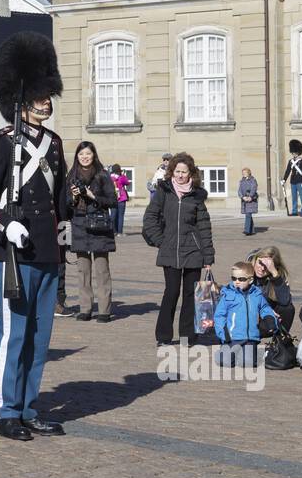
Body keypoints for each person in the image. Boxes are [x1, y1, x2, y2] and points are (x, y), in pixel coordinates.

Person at [0, 31, 68, 442]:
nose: (46, 102)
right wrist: (1, 222)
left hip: (46, 251)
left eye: (48, 94)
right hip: (13, 250)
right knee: (13, 334)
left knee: (38, 335)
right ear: (20, 99)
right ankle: (4, 410)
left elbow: (59, 198)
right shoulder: (1, 143)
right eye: (39, 95)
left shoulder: (55, 142)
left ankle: (28, 407)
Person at [141, 152, 215, 347]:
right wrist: (160, 240)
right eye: (177, 171)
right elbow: (150, 218)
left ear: (191, 173)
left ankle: (188, 336)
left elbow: (204, 226)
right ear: (172, 172)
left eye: (184, 172)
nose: (181, 175)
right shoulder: (163, 192)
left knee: (191, 294)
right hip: (170, 249)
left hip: (193, 251)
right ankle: (164, 336)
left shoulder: (197, 196)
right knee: (171, 291)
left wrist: (208, 255)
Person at [67, 142, 117, 322]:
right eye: (81, 154)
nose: (84, 157)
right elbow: (66, 204)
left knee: (102, 270)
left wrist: (92, 195)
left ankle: (104, 310)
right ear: (77, 156)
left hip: (99, 225)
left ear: (94, 155)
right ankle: (85, 308)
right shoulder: (71, 175)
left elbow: (112, 200)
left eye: (88, 154)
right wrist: (73, 196)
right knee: (82, 270)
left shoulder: (102, 174)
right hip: (79, 224)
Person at [208, 261, 277, 367]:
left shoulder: (257, 294)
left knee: (248, 363)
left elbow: (265, 308)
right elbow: (219, 316)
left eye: (241, 279)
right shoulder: (228, 295)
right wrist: (224, 333)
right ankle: (223, 353)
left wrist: (270, 319)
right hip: (232, 337)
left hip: (250, 338)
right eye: (234, 278)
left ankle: (243, 354)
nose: (237, 281)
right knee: (225, 362)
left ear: (251, 280)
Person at [248, 245, 295, 332]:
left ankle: (282, 341)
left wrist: (275, 274)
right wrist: (265, 310)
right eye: (260, 263)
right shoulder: (245, 271)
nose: (262, 269)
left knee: (288, 309)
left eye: (267, 267)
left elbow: (285, 301)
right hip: (249, 315)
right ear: (255, 259)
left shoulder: (276, 275)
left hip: (268, 318)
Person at [282, 140, 302, 217]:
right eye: (293, 152)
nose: (293, 154)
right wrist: (284, 179)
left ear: (298, 152)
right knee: (294, 197)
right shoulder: (291, 161)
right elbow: (288, 171)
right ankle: (294, 211)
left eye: (295, 152)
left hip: (300, 181)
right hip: (293, 181)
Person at [110, 165, 131, 234]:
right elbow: (127, 183)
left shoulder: (109, 177)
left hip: (112, 198)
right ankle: (120, 232)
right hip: (121, 198)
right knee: (120, 216)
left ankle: (113, 231)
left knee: (113, 215)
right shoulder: (121, 177)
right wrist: (123, 175)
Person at [238, 167, 259, 235]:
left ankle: (246, 230)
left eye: (245, 173)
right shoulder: (241, 181)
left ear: (248, 173)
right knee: (248, 214)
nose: (243, 174)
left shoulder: (253, 180)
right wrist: (242, 197)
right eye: (243, 173)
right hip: (244, 200)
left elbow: (254, 188)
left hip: (251, 200)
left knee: (248, 214)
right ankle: (252, 231)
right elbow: (239, 190)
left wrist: (250, 196)